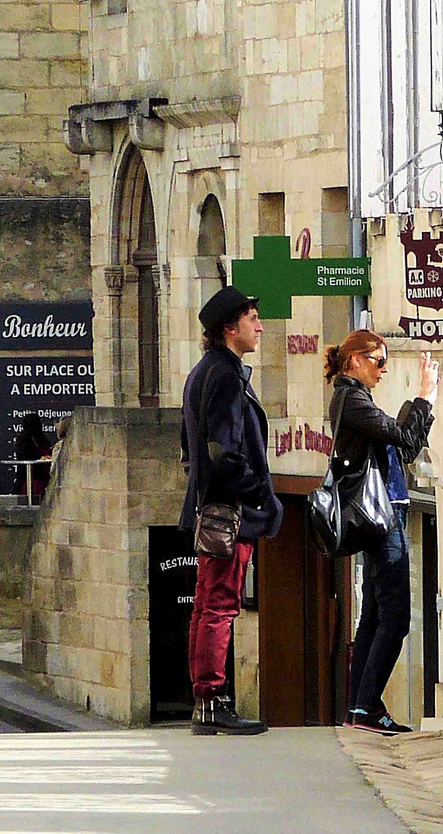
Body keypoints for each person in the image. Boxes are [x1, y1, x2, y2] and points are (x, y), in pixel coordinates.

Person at [179, 285, 283, 735]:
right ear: (229, 328)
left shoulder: (207, 371)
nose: (259, 326)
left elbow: (189, 447)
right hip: (229, 511)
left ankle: (207, 702)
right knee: (219, 605)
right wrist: (258, 492)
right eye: (252, 319)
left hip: (216, 506)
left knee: (207, 606)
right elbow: (221, 450)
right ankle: (212, 699)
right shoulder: (223, 374)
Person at [324, 330, 438, 735]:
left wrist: (420, 407)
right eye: (378, 359)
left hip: (384, 513)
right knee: (395, 616)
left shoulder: (357, 399)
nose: (384, 368)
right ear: (354, 360)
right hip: (382, 516)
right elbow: (404, 437)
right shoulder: (351, 399)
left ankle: (359, 707)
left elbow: (404, 450)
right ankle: (367, 706)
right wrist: (425, 396)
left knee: (373, 616)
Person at [13, 411, 53, 501]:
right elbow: (24, 460)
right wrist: (39, 459)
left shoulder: (43, 440)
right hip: (30, 480)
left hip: (45, 477)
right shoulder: (24, 442)